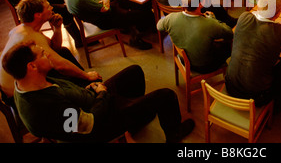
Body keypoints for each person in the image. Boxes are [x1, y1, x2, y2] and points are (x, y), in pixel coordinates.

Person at [2, 41, 195, 143]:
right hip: (98, 125)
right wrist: (101, 93)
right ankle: (173, 134)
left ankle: (135, 120)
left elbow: (66, 93)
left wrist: (87, 89)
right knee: (166, 95)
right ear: (32, 66)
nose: (48, 55)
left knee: (134, 71)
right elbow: (88, 125)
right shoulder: (44, 105)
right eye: (42, 54)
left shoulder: (28, 83)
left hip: (90, 101)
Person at [0, 0, 101, 99]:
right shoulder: (29, 35)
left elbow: (55, 48)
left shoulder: (27, 28)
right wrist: (86, 75)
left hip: (25, 77)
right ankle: (88, 91)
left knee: (63, 52)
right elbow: (60, 66)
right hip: (18, 93)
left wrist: (57, 28)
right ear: (38, 15)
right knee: (66, 70)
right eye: (48, 7)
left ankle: (85, 86)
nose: (52, 8)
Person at [225, 0, 281, 108]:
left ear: (258, 7)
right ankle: (278, 105)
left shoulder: (244, 17)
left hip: (230, 85)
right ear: (278, 13)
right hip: (255, 96)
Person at [156, 0, 233, 73]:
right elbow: (229, 33)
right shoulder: (209, 23)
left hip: (183, 60)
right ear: (200, 4)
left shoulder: (171, 18)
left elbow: (159, 26)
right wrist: (213, 19)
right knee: (229, 45)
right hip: (204, 66)